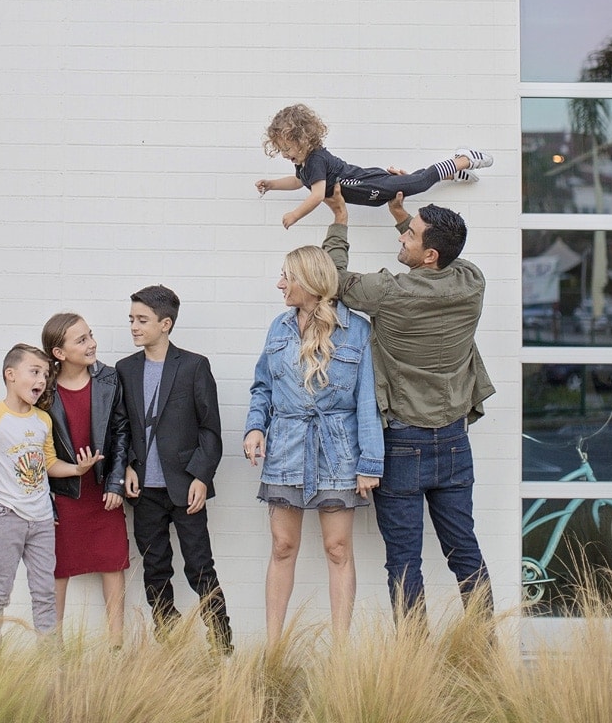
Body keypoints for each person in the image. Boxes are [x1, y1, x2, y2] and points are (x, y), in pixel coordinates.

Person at [323, 187, 495, 622]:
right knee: (465, 553)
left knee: (403, 561)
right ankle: (484, 651)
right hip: (455, 442)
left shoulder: (388, 293)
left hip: (401, 446)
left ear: (431, 254)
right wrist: (401, 214)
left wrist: (340, 220)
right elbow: (440, 259)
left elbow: (333, 277)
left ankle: (412, 662)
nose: (402, 237)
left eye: (410, 235)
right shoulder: (472, 282)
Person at [244, 245, 384, 644]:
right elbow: (263, 387)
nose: (280, 284)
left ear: (310, 280)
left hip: (339, 452)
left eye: (287, 276)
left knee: (337, 548)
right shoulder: (279, 327)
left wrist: (370, 462)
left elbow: (368, 399)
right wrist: (255, 428)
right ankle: (275, 648)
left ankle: (340, 650)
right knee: (283, 545)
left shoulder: (356, 329)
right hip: (285, 446)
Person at [115, 284, 233, 653]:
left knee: (200, 567)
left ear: (165, 324)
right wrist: (131, 466)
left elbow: (210, 429)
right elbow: (122, 426)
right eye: (131, 319)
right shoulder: (125, 369)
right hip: (144, 492)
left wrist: (201, 475)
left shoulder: (194, 366)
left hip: (185, 486)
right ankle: (170, 642)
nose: (133, 326)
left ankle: (222, 643)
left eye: (142, 320)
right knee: (155, 570)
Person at [0, 343, 97, 635]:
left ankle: (51, 667)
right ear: (11, 375)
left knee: (45, 594)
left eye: (45, 374)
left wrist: (78, 470)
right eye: (34, 372)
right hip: (6, 516)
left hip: (42, 519)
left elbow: (50, 463)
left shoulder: (43, 419)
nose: (42, 380)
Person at [41, 312, 131, 645]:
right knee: (58, 567)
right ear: (59, 353)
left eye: (90, 335)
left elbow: (122, 430)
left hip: (102, 488)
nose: (91, 343)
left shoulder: (109, 378)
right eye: (81, 340)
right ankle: (54, 646)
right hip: (62, 492)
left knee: (113, 561)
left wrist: (116, 481)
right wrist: (42, 495)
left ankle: (116, 646)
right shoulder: (44, 387)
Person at [256, 103, 493, 228]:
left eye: (287, 149)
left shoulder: (316, 159)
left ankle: (463, 159)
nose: (285, 155)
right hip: (373, 193)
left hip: (374, 184)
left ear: (303, 140)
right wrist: (272, 184)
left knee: (419, 182)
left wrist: (295, 215)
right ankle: (453, 173)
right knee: (415, 181)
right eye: (281, 151)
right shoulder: (305, 166)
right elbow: (298, 182)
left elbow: (317, 196)